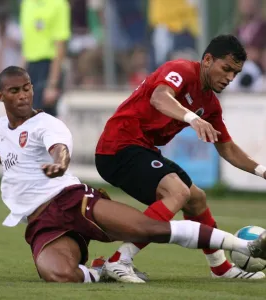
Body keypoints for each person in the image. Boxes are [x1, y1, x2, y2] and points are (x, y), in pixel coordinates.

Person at [0, 66, 266, 283]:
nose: (23, 95)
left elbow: (60, 148)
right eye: (15, 91)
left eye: (27, 87)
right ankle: (102, 271)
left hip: (70, 200)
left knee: (154, 225)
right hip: (41, 222)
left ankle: (245, 247)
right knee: (59, 275)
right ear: (0, 96)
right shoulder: (3, 128)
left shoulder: (47, 124)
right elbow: (2, 152)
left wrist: (60, 161)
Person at [95, 34, 266, 282]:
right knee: (178, 192)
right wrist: (192, 118)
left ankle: (220, 268)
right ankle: (119, 260)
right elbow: (159, 97)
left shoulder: (210, 105)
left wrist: (262, 170)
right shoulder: (182, 69)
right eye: (226, 69)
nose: (229, 78)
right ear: (207, 60)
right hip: (117, 146)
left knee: (196, 198)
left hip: (141, 149)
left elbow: (227, 148)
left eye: (235, 73)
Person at [20, 0, 71, 116]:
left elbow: (60, 47)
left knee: (44, 121)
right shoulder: (26, 4)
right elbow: (25, 46)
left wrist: (52, 84)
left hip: (48, 67)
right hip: (30, 68)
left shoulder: (59, 5)